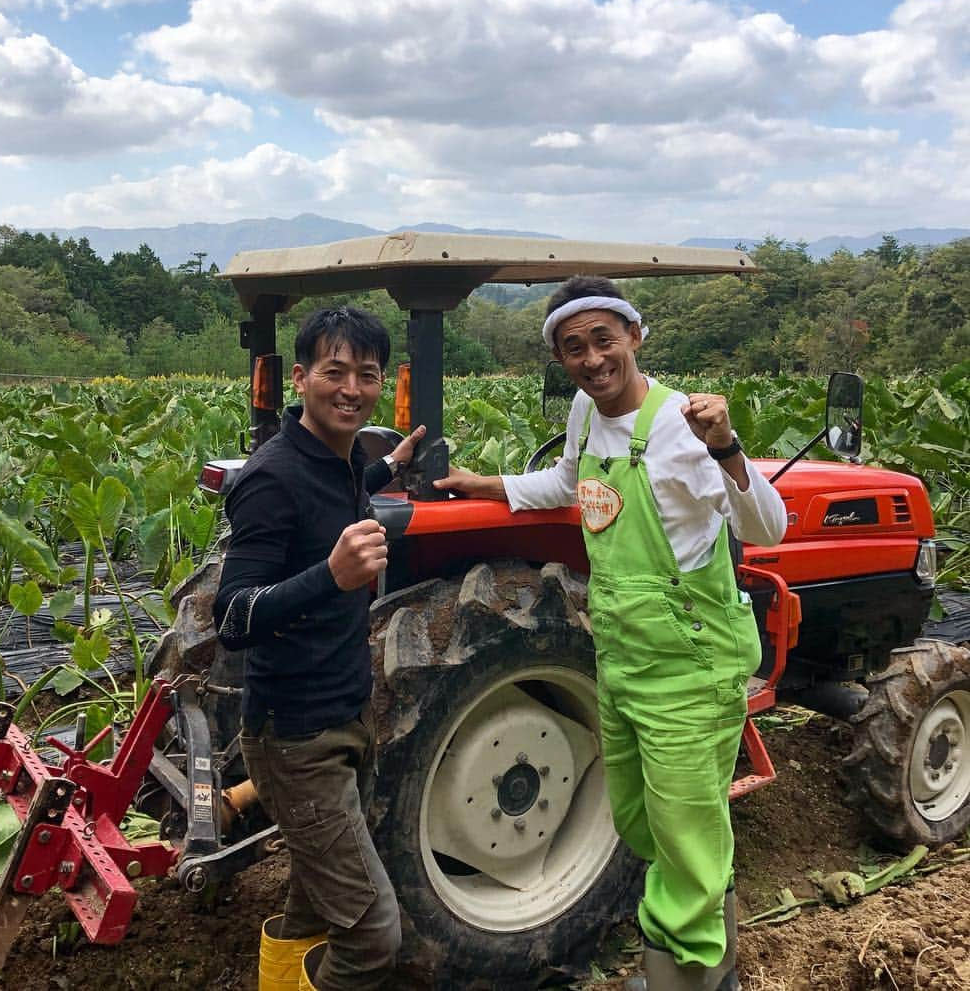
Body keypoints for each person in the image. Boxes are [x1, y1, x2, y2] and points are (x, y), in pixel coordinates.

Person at [434, 277, 787, 991]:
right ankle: (699, 941)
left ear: (634, 335)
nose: (592, 358)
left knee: (686, 835)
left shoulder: (682, 427)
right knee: (640, 818)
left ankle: (691, 979)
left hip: (691, 663)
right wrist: (487, 486)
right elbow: (567, 482)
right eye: (574, 347)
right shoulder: (585, 415)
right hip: (621, 657)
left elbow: (765, 527)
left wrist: (728, 447)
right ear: (562, 359)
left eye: (604, 338)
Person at [213, 306, 425, 991]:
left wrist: (390, 465)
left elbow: (339, 494)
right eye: (335, 372)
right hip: (296, 734)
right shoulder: (272, 478)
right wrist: (329, 576)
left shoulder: (341, 461)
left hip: (342, 720)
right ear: (300, 377)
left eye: (366, 374)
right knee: (370, 932)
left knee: (310, 896)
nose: (352, 389)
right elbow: (234, 615)